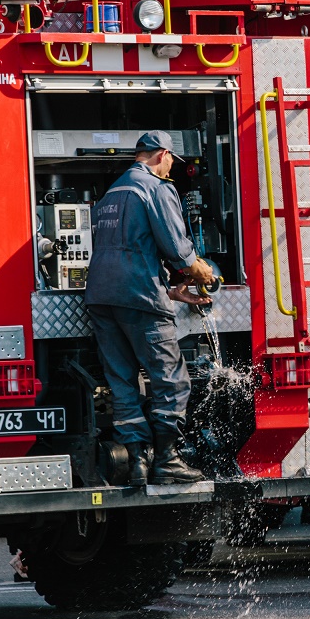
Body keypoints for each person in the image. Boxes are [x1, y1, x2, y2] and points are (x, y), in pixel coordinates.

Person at [86, 130, 226, 486]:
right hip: (141, 299)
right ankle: (167, 458)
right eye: (171, 164)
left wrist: (170, 291)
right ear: (162, 154)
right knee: (171, 379)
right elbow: (176, 247)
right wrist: (201, 271)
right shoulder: (157, 188)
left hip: (102, 298)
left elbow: (125, 250)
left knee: (122, 382)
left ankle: (137, 462)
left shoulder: (111, 193)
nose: (171, 171)